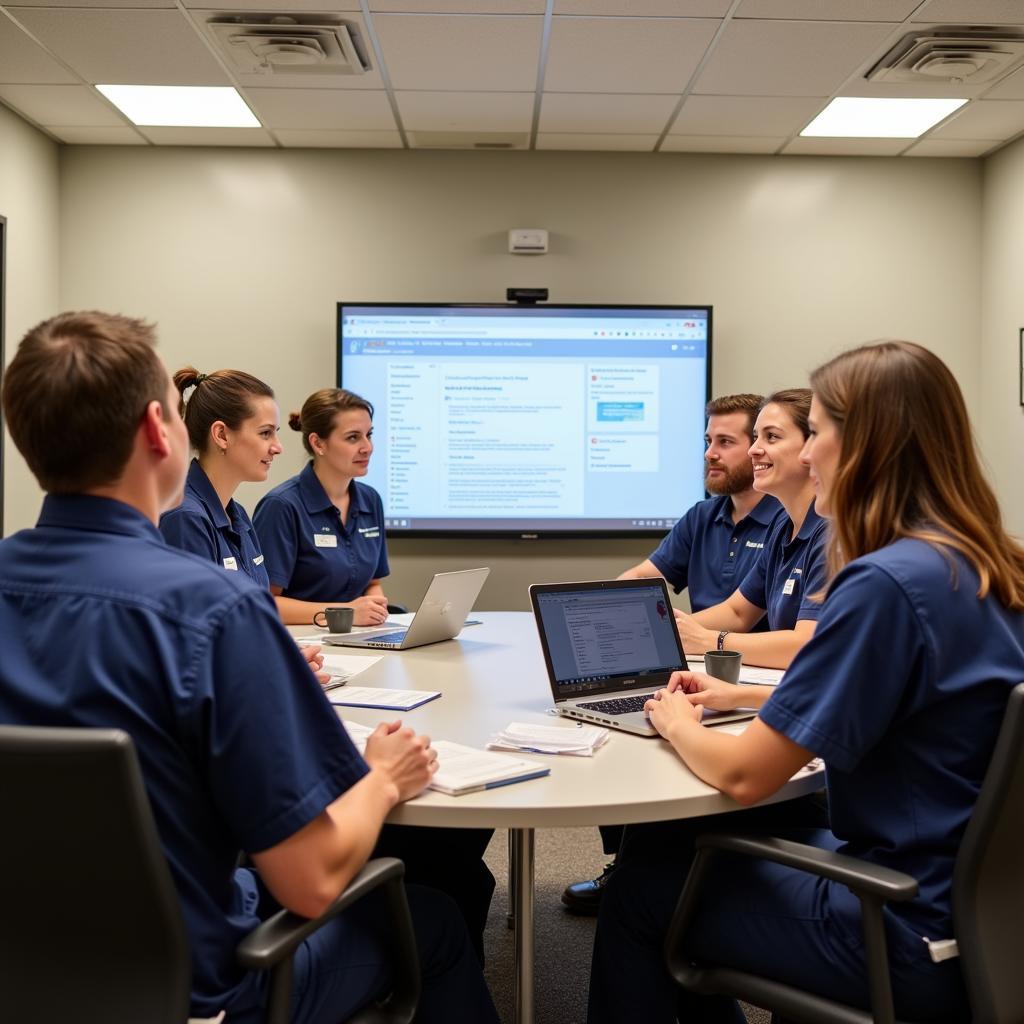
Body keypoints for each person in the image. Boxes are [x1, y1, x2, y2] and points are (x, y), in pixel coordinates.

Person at [0, 311, 499, 1024]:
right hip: (201, 989)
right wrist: (385, 779)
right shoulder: (214, 612)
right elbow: (312, 882)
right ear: (156, 431)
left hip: (23, 971)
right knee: (437, 920)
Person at [588, 340, 1024, 1023]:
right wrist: (744, 696)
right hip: (985, 912)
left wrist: (673, 723)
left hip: (902, 924)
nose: (809, 453)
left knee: (641, 891)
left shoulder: (882, 584)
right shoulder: (989, 564)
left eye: (814, 432)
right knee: (671, 847)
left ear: (864, 445)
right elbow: (910, 708)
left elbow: (744, 776)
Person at [562, 393, 781, 915]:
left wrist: (693, 636)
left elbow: (736, 618)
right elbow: (645, 579)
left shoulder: (788, 522)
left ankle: (659, 869)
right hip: (704, 666)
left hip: (756, 675)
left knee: (666, 730)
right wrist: (597, 613)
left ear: (754, 450)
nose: (711, 453)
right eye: (708, 441)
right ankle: (629, 861)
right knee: (618, 715)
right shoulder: (703, 516)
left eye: (725, 442)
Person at [159, 365, 328, 685]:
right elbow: (193, 647)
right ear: (222, 434)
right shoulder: (184, 519)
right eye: (265, 433)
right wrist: (280, 670)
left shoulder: (237, 515)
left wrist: (283, 657)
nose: (277, 446)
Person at [673, 388, 828, 669]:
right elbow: (737, 611)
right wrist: (667, 631)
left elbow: (806, 643)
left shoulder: (831, 532)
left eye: (771, 437)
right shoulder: (783, 525)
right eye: (756, 437)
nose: (754, 449)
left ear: (812, 447)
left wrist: (711, 641)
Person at [254, 388, 390, 627]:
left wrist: (375, 613)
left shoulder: (371, 501)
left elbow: (373, 584)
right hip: (300, 645)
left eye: (369, 434)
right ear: (318, 443)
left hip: (356, 638)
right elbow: (264, 602)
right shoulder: (282, 506)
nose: (367, 447)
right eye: (353, 437)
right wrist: (346, 612)